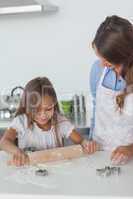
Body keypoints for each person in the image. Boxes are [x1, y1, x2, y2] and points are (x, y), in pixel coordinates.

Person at [0, 77, 93, 166]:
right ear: (27, 107)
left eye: (48, 109)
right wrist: (17, 152)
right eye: (36, 110)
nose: (43, 115)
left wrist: (86, 144)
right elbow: (4, 142)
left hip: (57, 173)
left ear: (54, 104)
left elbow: (81, 141)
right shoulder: (21, 122)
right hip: (28, 173)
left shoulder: (60, 122)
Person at [89, 15, 133, 165]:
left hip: (128, 160)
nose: (101, 64)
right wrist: (88, 142)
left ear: (124, 57)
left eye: (107, 62)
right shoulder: (97, 70)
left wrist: (130, 148)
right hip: (99, 154)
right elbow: (96, 109)